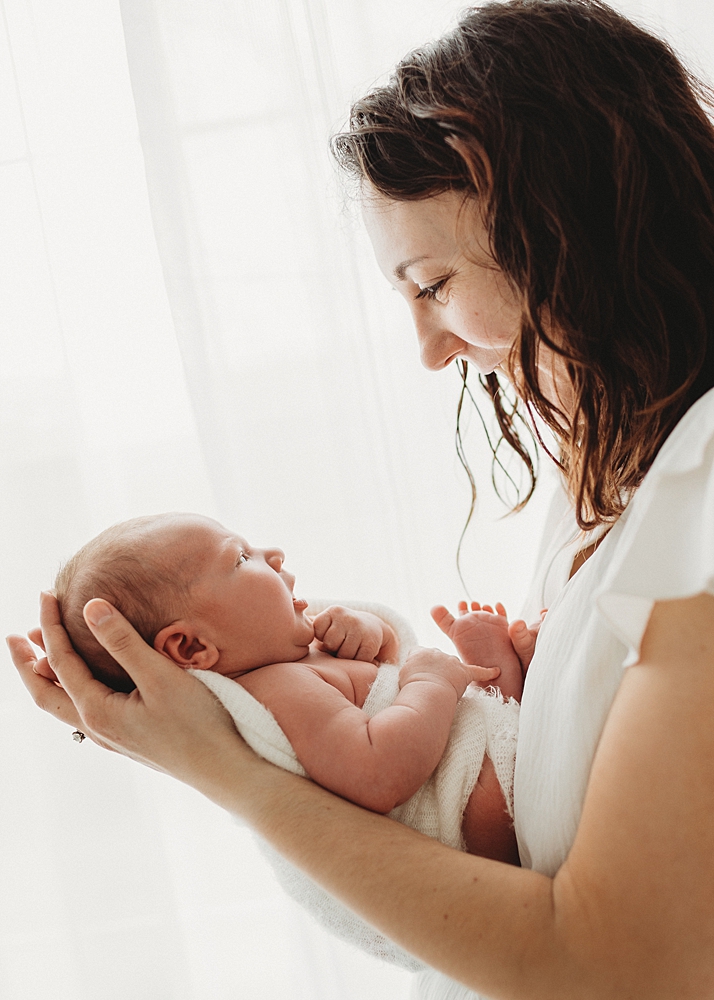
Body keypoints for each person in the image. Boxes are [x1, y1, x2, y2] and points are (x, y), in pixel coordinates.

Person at [8, 2, 714, 997]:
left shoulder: (702, 496)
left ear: (566, 228)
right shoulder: (610, 479)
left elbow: (610, 962)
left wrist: (224, 768)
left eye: (432, 284)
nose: (430, 350)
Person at [52, 511, 535, 864]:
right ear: (191, 648)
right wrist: (431, 681)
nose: (272, 554)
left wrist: (370, 633)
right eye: (241, 557)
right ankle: (510, 689)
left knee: (478, 690)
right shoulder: (275, 692)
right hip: (476, 812)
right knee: (481, 713)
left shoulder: (294, 657)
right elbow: (378, 771)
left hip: (465, 757)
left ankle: (505, 684)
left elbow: (384, 677)